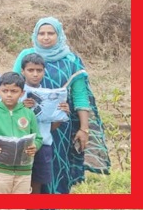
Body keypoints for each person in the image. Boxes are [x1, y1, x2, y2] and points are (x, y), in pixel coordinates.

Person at [12, 16, 110, 193]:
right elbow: (13, 86)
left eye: (51, 33)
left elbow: (80, 96)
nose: (46, 37)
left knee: (55, 167)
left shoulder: (71, 60)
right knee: (25, 171)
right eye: (41, 33)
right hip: (26, 122)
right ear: (35, 35)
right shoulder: (26, 56)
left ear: (59, 35)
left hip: (60, 126)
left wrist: (84, 129)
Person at [0, 72, 42, 194]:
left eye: (14, 91)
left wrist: (35, 146)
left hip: (24, 171)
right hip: (0, 171)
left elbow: (38, 138)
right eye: (5, 91)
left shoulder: (28, 113)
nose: (9, 95)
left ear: (22, 93)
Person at [18, 53, 69, 195]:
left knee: (37, 185)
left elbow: (52, 127)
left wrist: (62, 113)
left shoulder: (52, 95)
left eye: (39, 70)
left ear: (44, 72)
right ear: (22, 71)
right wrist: (21, 108)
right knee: (18, 184)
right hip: (19, 144)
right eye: (30, 70)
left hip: (43, 144)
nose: (35, 74)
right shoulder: (15, 93)